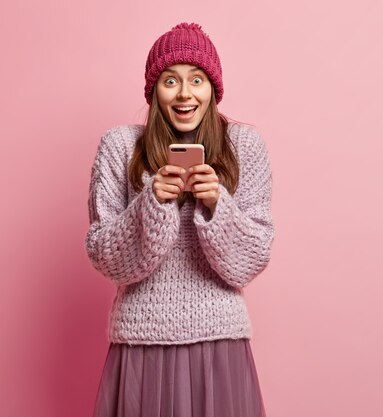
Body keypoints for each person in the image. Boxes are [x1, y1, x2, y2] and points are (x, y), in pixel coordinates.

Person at [85, 22, 274, 417]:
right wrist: (151, 203)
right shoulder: (119, 147)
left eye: (197, 80)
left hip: (219, 344)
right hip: (142, 344)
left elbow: (253, 259)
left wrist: (216, 205)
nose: (185, 93)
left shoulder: (245, 147)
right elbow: (105, 256)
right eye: (171, 80)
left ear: (213, 89)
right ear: (154, 90)